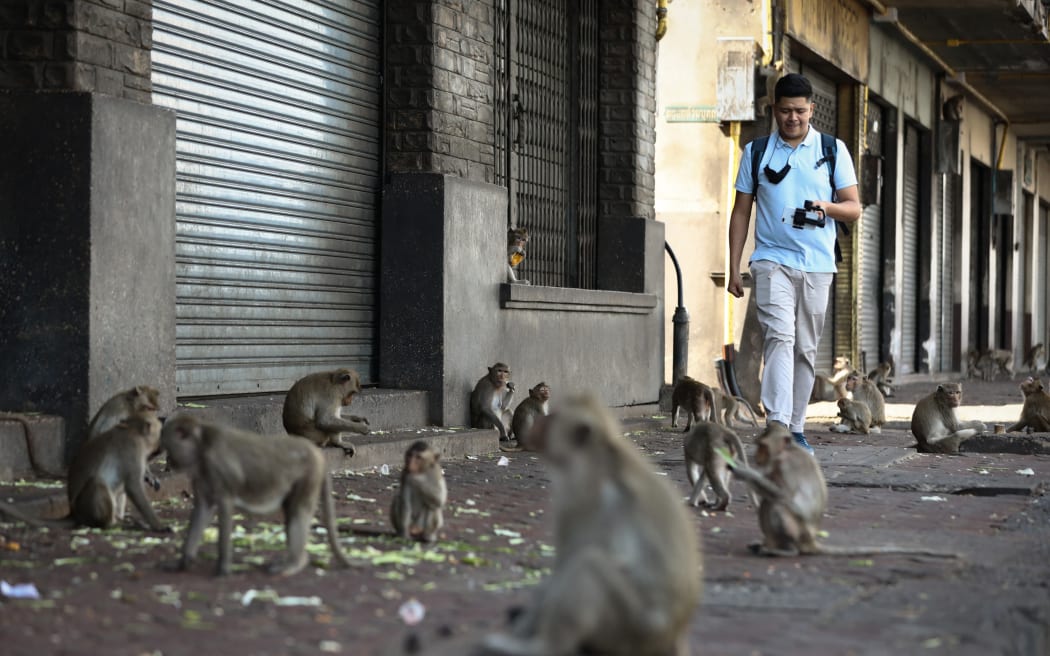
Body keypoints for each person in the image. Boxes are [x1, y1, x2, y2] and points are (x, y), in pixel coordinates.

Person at [726, 73, 862, 454]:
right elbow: (740, 212)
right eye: (785, 111)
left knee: (804, 346)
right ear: (774, 110)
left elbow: (853, 207)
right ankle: (777, 423)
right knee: (780, 337)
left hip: (818, 264)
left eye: (800, 111)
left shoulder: (833, 150)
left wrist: (827, 207)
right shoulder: (755, 152)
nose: (793, 118)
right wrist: (735, 265)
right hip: (771, 260)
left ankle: (797, 425)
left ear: (811, 110)